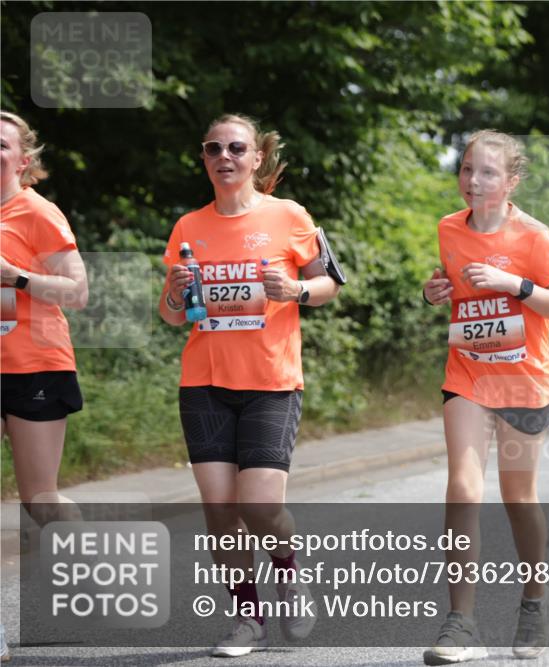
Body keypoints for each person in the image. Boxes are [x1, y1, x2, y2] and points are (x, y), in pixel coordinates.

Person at [159, 114, 339, 657]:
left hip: (270, 381)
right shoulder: (189, 226)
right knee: (219, 507)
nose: (224, 156)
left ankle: (289, 571)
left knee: (259, 508)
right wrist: (173, 290)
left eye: (236, 147)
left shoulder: (289, 216)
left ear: (256, 157)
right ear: (205, 157)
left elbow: (329, 282)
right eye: (213, 148)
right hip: (205, 381)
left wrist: (296, 289)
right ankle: (247, 619)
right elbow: (172, 317)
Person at [421, 130, 549, 664]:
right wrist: (433, 290)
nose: (473, 180)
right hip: (467, 375)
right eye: (467, 169)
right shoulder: (448, 229)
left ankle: (535, 598)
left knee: (517, 498)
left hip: (524, 381)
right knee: (462, 489)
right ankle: (460, 623)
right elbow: (451, 286)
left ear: (510, 182)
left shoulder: (532, 235)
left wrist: (514, 285)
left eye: (487, 172)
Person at [1, 110, 89, 663]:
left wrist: (19, 278)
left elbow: (77, 291)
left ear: (23, 158)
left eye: (0, 145)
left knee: (39, 500)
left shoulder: (36, 212)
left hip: (34, 364)